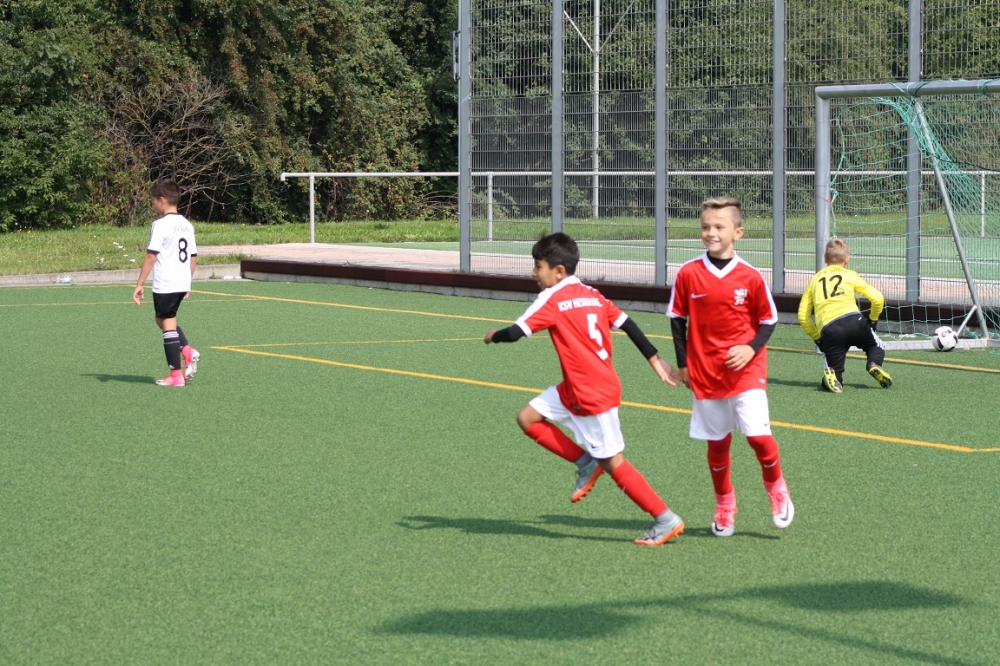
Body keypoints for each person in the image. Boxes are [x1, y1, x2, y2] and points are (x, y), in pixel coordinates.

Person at [484, 232, 685, 546]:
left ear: (558, 271)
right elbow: (628, 324)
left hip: (591, 394)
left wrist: (493, 335)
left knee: (614, 462)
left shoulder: (552, 299)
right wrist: (654, 360)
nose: (534, 273)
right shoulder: (592, 294)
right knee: (527, 417)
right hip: (577, 386)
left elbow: (515, 333)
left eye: (538, 266)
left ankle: (665, 518)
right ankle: (584, 461)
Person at [667, 196, 793, 538]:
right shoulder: (688, 273)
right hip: (706, 373)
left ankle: (776, 488)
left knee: (758, 438)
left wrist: (750, 349)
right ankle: (725, 503)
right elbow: (677, 319)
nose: (711, 233)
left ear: (738, 232)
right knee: (717, 443)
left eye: (719, 227)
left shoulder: (750, 276)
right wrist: (683, 365)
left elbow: (769, 320)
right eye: (705, 227)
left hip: (747, 372)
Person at [797, 237, 892, 393]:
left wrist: (818, 338)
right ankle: (873, 364)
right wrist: (872, 320)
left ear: (825, 258)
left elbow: (802, 316)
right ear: (847, 259)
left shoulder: (815, 280)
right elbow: (878, 298)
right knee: (876, 345)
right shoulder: (850, 275)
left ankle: (834, 378)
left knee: (834, 370)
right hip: (855, 321)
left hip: (830, 329)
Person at [132, 178, 200, 387]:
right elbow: (193, 257)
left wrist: (139, 283)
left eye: (154, 201)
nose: (153, 205)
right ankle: (186, 350)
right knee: (162, 319)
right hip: (181, 281)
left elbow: (151, 256)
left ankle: (176, 374)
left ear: (162, 200)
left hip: (166, 282)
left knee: (167, 323)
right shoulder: (187, 225)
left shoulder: (160, 225)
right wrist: (187, 283)